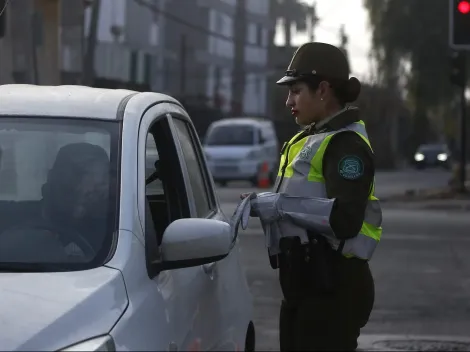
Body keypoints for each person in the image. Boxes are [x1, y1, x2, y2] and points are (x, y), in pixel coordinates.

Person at [242, 42, 383, 351]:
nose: (288, 101)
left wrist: (276, 206)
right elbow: (302, 199)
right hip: (305, 284)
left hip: (333, 287)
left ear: (322, 90)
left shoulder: (346, 146)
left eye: (295, 91)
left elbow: (345, 219)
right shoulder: (307, 138)